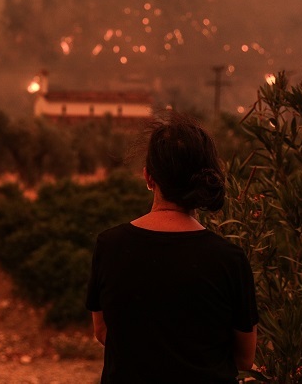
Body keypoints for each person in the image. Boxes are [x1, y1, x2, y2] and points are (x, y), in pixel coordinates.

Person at [86, 110, 259, 382]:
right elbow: (245, 358)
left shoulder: (110, 246)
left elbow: (103, 332)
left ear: (148, 177)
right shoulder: (229, 260)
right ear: (206, 178)